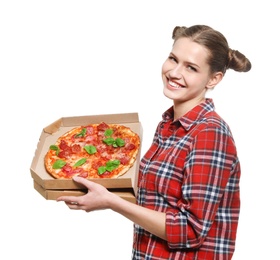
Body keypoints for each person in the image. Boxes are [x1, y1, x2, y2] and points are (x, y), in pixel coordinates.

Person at [57, 25, 251, 259]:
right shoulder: (169, 125)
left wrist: (112, 202)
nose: (174, 72)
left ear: (214, 79)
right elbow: (158, 203)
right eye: (173, 59)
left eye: (191, 68)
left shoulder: (209, 133)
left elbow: (191, 231)